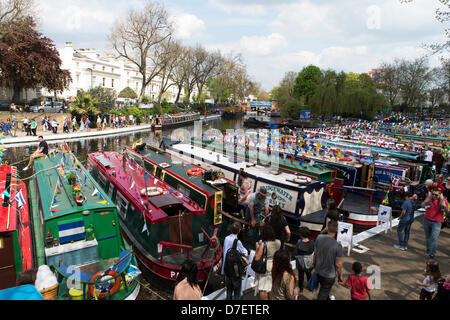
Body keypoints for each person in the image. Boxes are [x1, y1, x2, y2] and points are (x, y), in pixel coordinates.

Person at [313, 220, 344, 300]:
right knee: (323, 293)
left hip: (319, 271)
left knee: (324, 290)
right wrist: (340, 276)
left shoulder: (319, 238)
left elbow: (315, 254)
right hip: (329, 276)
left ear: (327, 228)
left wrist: (314, 265)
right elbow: (338, 264)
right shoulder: (338, 246)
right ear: (337, 230)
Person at [253, 225, 281, 300]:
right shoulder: (278, 242)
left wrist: (257, 248)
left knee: (262, 288)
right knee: (270, 286)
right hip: (275, 265)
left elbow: (257, 257)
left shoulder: (263, 245)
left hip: (265, 266)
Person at [222, 222, 248, 300]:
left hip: (227, 268)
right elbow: (245, 252)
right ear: (239, 230)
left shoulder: (226, 239)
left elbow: (224, 252)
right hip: (235, 270)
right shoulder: (238, 242)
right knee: (237, 292)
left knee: (229, 291)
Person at [421, 187, 448, 259]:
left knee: (434, 238)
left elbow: (447, 212)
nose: (434, 196)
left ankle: (432, 253)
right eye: (433, 194)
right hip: (427, 220)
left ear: (440, 194)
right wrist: (427, 201)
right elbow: (422, 205)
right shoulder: (429, 198)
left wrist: (444, 205)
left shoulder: (444, 200)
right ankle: (429, 248)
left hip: (437, 222)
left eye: (436, 195)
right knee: (428, 237)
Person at [294, 226, 315, 293]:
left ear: (300, 234)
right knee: (309, 275)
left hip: (301, 263)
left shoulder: (299, 242)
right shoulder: (312, 242)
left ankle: (301, 288)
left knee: (301, 275)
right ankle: (311, 287)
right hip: (309, 262)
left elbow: (295, 253)